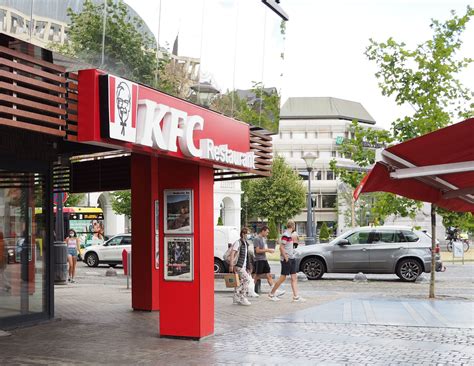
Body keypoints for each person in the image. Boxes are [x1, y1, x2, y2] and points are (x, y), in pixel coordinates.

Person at [268, 220, 305, 302]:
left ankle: (296, 297)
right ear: (293, 226)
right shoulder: (286, 235)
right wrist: (286, 257)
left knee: (294, 277)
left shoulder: (290, 235)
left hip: (292, 258)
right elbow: (281, 247)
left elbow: (287, 247)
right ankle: (271, 294)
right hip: (287, 259)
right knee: (282, 278)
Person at [252, 225, 285, 297]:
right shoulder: (257, 239)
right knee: (256, 276)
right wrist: (268, 250)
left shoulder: (263, 238)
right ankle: (250, 290)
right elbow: (257, 251)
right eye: (266, 232)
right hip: (259, 260)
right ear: (263, 231)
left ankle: (274, 291)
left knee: (269, 275)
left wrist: (267, 250)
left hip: (264, 259)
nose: (267, 234)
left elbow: (262, 249)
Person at [229, 227, 252, 306]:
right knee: (247, 280)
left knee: (240, 282)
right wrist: (231, 265)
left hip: (243, 266)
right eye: (247, 233)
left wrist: (248, 267)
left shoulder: (245, 243)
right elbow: (232, 253)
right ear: (243, 234)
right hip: (239, 265)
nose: (249, 235)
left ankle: (236, 298)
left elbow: (246, 256)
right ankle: (243, 297)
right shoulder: (238, 242)